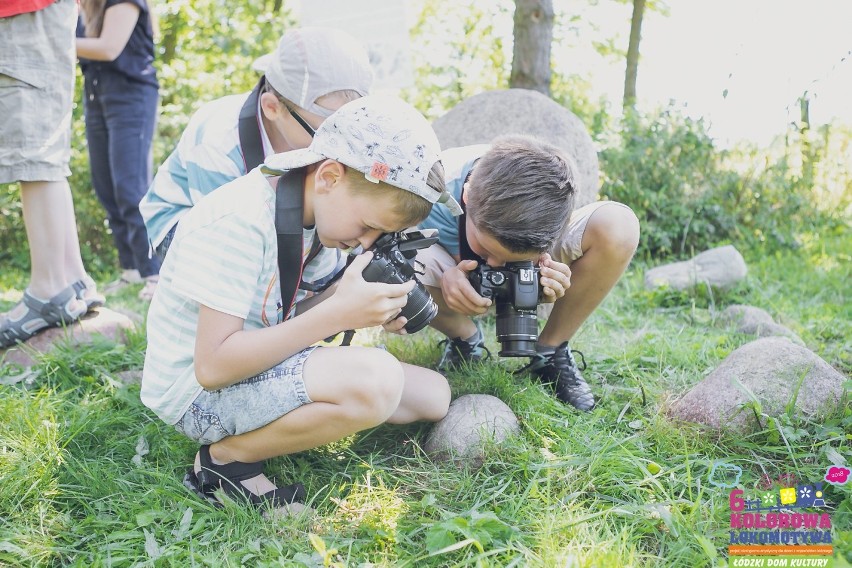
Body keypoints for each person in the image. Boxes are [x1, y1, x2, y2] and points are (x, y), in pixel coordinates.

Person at [140, 95, 461, 513]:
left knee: (434, 396)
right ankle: (226, 462)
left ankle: (274, 433)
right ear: (329, 176)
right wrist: (337, 313)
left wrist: (357, 304)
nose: (364, 245)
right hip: (195, 395)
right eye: (368, 227)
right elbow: (213, 367)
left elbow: (286, 317)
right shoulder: (238, 220)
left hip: (256, 361)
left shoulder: (319, 219)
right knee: (376, 382)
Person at [416, 135, 640, 412]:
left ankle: (551, 350)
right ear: (466, 196)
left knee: (618, 225)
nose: (496, 265)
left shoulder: (549, 202)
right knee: (392, 252)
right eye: (486, 251)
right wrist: (446, 275)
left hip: (529, 238)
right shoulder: (430, 191)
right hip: (447, 270)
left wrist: (551, 274)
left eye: (514, 261)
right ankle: (465, 340)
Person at [139, 26, 373, 262]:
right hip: (186, 222)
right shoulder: (218, 138)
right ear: (272, 107)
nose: (337, 144)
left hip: (268, 219)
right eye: (323, 130)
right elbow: (221, 234)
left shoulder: (304, 127)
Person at [0, 0, 103, 350]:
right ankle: (71, 280)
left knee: (34, 155)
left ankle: (49, 288)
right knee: (44, 153)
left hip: (25, 13)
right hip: (37, 13)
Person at [76, 0, 160, 301]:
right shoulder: (85, 4)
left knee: (131, 187)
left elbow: (109, 48)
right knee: (107, 188)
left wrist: (51, 38)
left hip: (130, 95)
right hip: (96, 95)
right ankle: (132, 271)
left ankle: (155, 273)